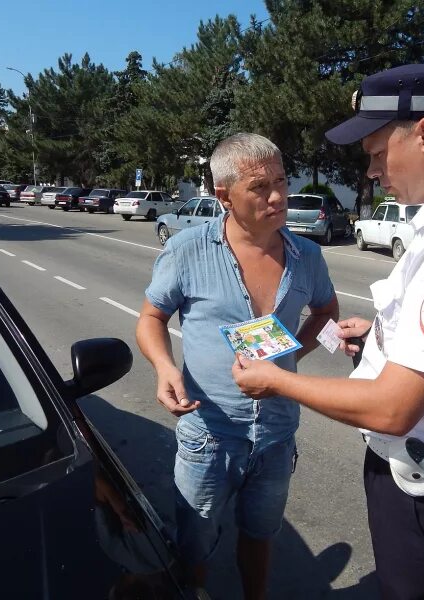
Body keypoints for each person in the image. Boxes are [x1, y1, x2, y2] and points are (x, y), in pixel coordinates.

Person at [232, 64, 424, 599]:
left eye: (378, 154)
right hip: (421, 475)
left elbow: (393, 408)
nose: (374, 171)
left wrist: (276, 380)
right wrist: (380, 335)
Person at [135, 132, 339, 599]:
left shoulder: (307, 256)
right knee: (196, 544)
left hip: (276, 434)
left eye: (282, 182)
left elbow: (327, 313)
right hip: (209, 433)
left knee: (261, 534)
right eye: (260, 187)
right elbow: (151, 317)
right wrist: (165, 368)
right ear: (224, 195)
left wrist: (289, 363)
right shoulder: (188, 250)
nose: (277, 196)